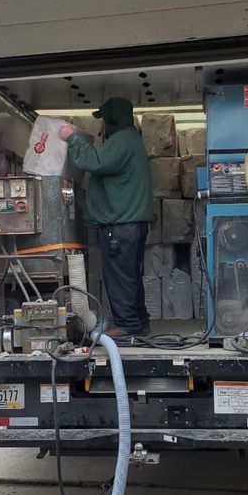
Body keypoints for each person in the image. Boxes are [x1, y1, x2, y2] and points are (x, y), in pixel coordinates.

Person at [59, 97, 153, 337]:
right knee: (130, 275)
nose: (101, 126)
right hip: (130, 223)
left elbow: (94, 160)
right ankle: (139, 322)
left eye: (103, 120)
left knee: (119, 277)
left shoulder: (122, 140)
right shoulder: (131, 140)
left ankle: (128, 324)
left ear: (112, 119)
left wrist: (71, 137)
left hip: (121, 225)